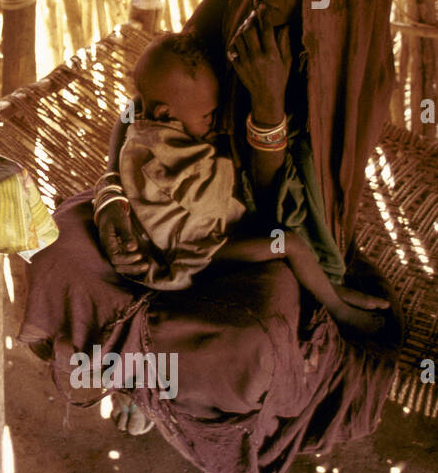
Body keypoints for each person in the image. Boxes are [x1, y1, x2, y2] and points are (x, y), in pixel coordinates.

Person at [22, 0, 401, 473]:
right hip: (160, 206)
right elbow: (142, 110)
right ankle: (138, 375)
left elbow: (287, 214)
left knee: (250, 345)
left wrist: (269, 106)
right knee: (62, 249)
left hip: (256, 237)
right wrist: (113, 196)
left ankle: (149, 380)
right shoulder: (227, 10)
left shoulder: (354, 79)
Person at [112, 31, 389, 330]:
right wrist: (231, 153)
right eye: (208, 115)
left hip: (196, 243)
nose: (214, 122)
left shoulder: (143, 135)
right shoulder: (163, 150)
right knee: (289, 244)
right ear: (165, 112)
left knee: (279, 243)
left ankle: (329, 290)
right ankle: (337, 307)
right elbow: (214, 201)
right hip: (197, 255)